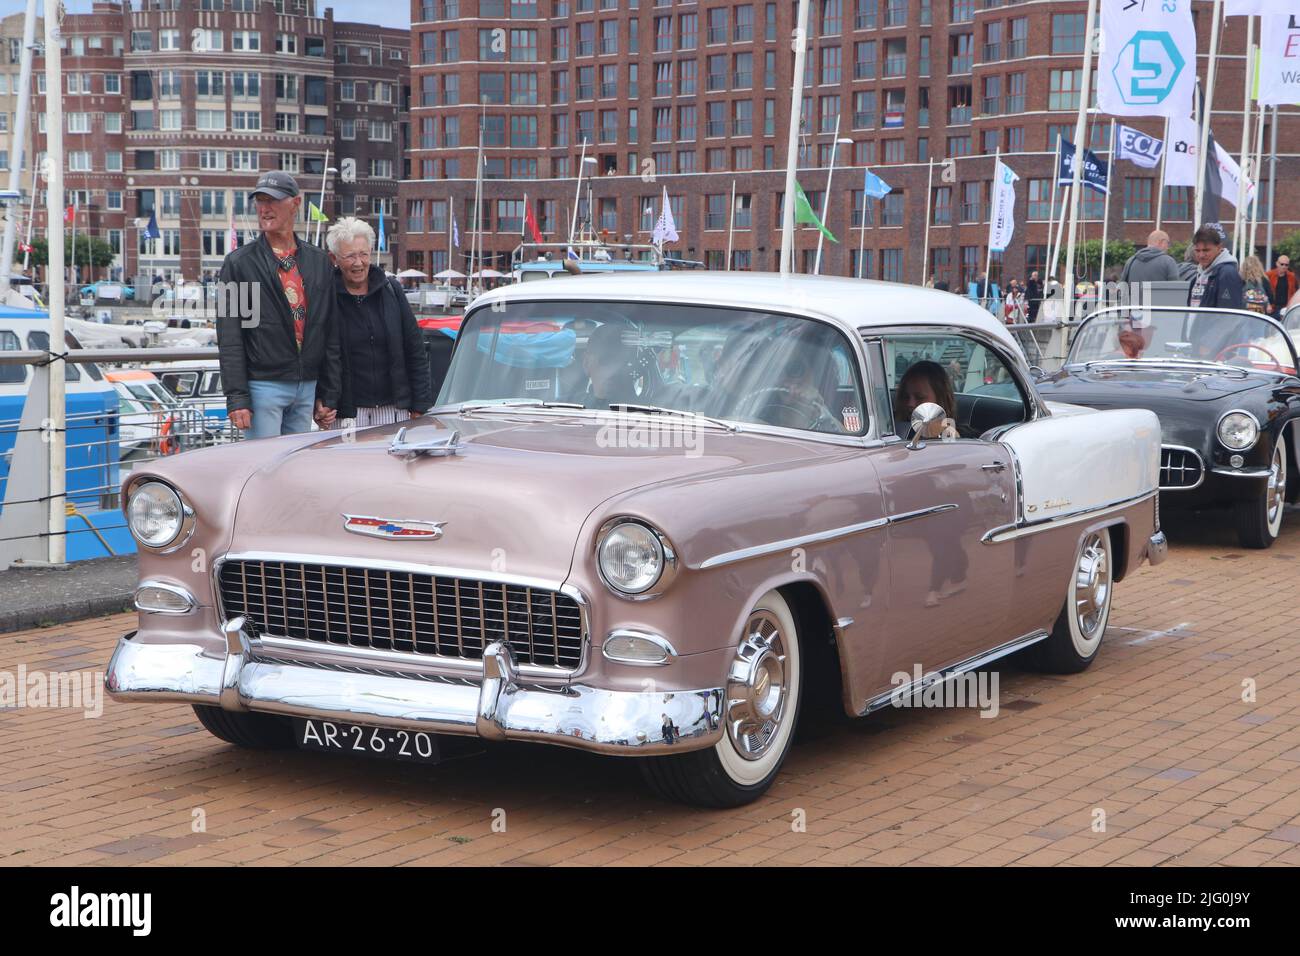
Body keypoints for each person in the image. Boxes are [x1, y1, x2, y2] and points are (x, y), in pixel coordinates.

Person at [216, 171, 340, 438]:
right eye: (260, 201)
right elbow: (230, 335)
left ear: (296, 203)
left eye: (273, 200)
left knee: (295, 471)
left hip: (307, 387)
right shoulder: (238, 264)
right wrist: (237, 397)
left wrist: (328, 392)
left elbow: (330, 331)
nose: (265, 208)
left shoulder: (320, 262)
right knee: (262, 471)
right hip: (263, 387)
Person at [316, 216, 434, 430]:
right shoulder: (325, 296)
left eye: (363, 254)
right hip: (347, 413)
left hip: (394, 409)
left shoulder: (392, 290)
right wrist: (321, 399)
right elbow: (318, 354)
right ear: (334, 258)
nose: (358, 263)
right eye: (350, 256)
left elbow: (414, 348)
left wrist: (420, 403)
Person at [894, 360, 959, 440]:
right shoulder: (892, 429)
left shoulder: (948, 435)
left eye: (919, 397)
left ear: (940, 400)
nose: (910, 403)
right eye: (905, 397)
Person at [580, 321, 639, 408]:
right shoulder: (565, 409)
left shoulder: (652, 414)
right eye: (607, 360)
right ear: (586, 362)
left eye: (626, 363)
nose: (615, 370)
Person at [1188, 224, 1244, 310]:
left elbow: (1229, 315)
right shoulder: (1197, 276)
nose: (1201, 255)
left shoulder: (1227, 274)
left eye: (1206, 250)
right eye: (1197, 250)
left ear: (1219, 248)